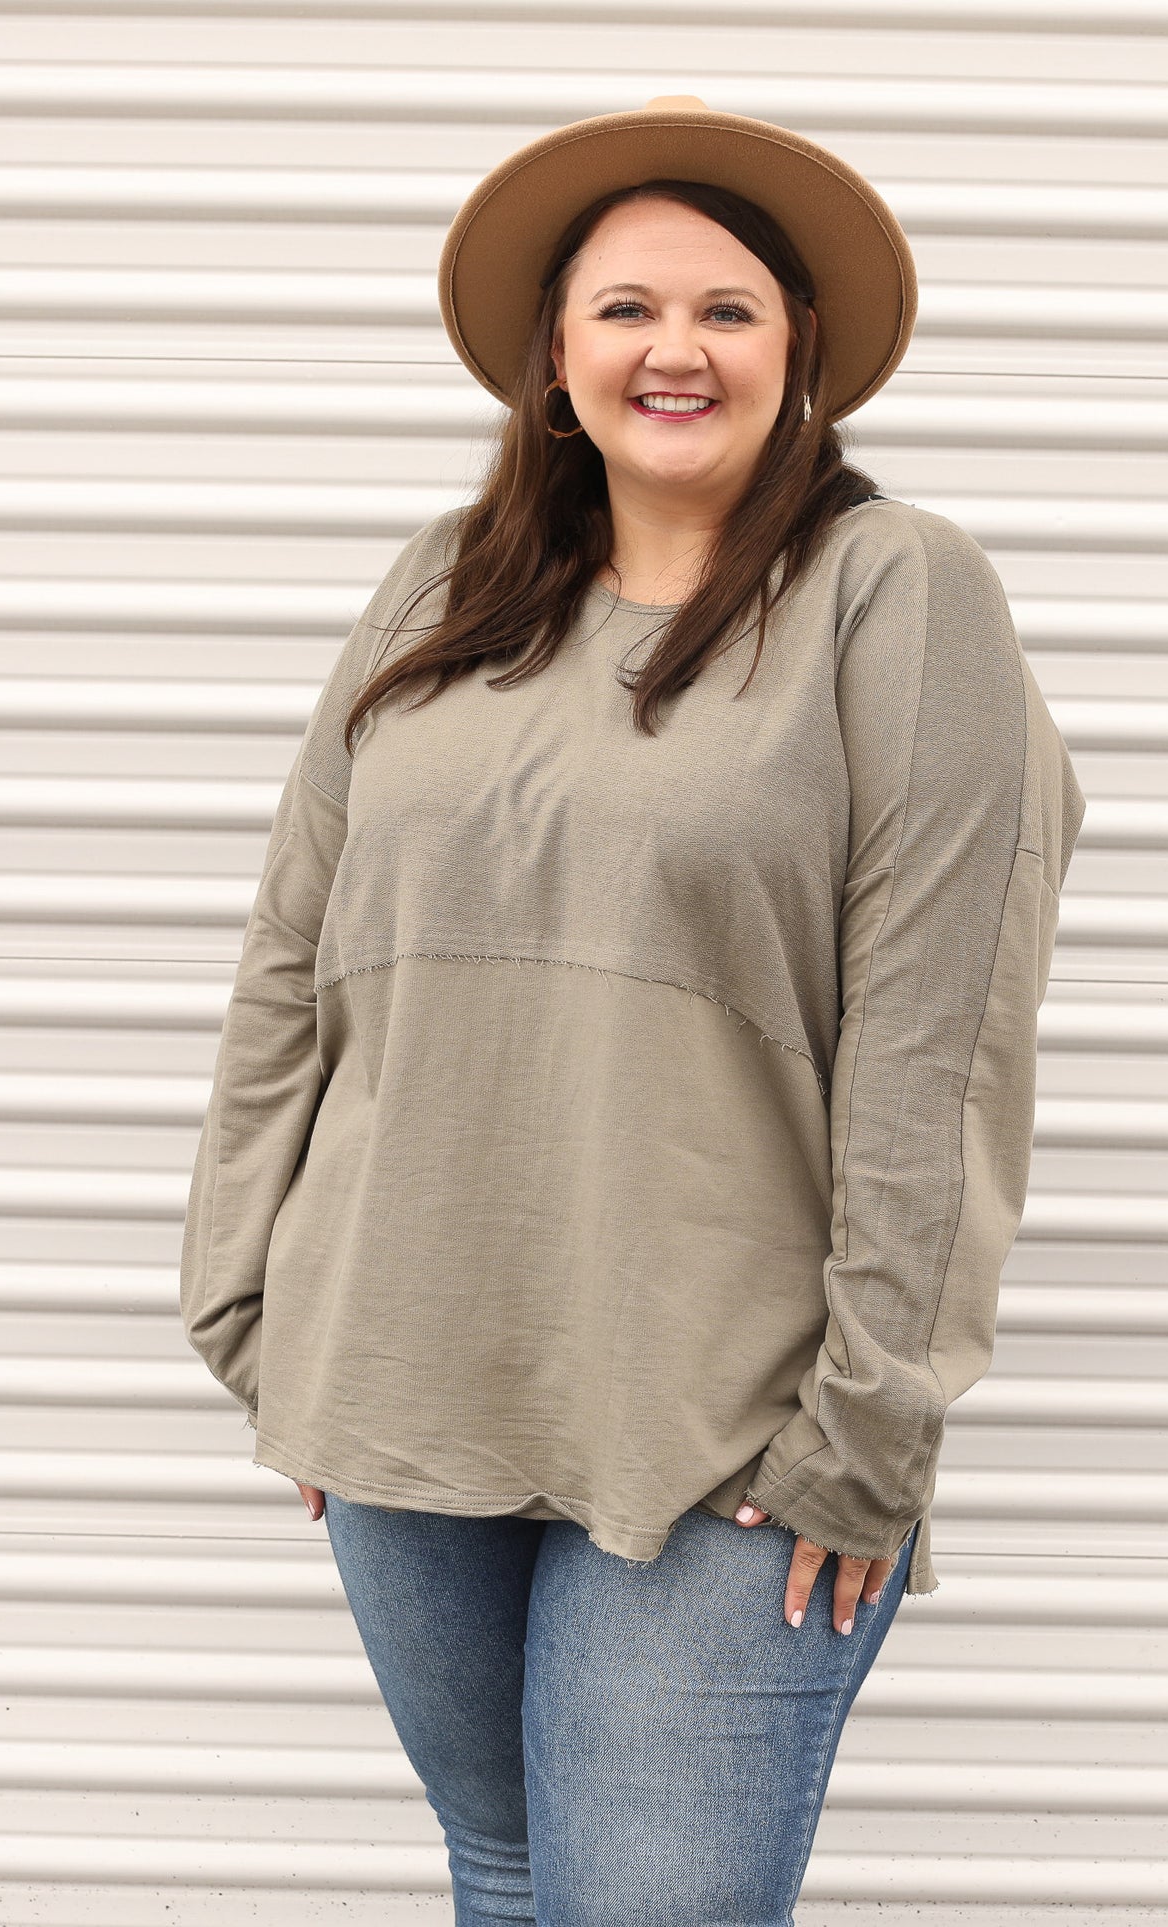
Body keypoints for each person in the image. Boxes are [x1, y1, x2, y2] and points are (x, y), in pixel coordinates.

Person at [180, 94, 1086, 1926]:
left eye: (727, 309)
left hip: (728, 1422)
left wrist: (867, 1424)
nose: (674, 347)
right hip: (404, 1378)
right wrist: (259, 1312)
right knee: (507, 1878)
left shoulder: (894, 597)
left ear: (800, 353)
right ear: (556, 358)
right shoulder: (446, 585)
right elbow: (296, 955)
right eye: (624, 309)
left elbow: (939, 1037)